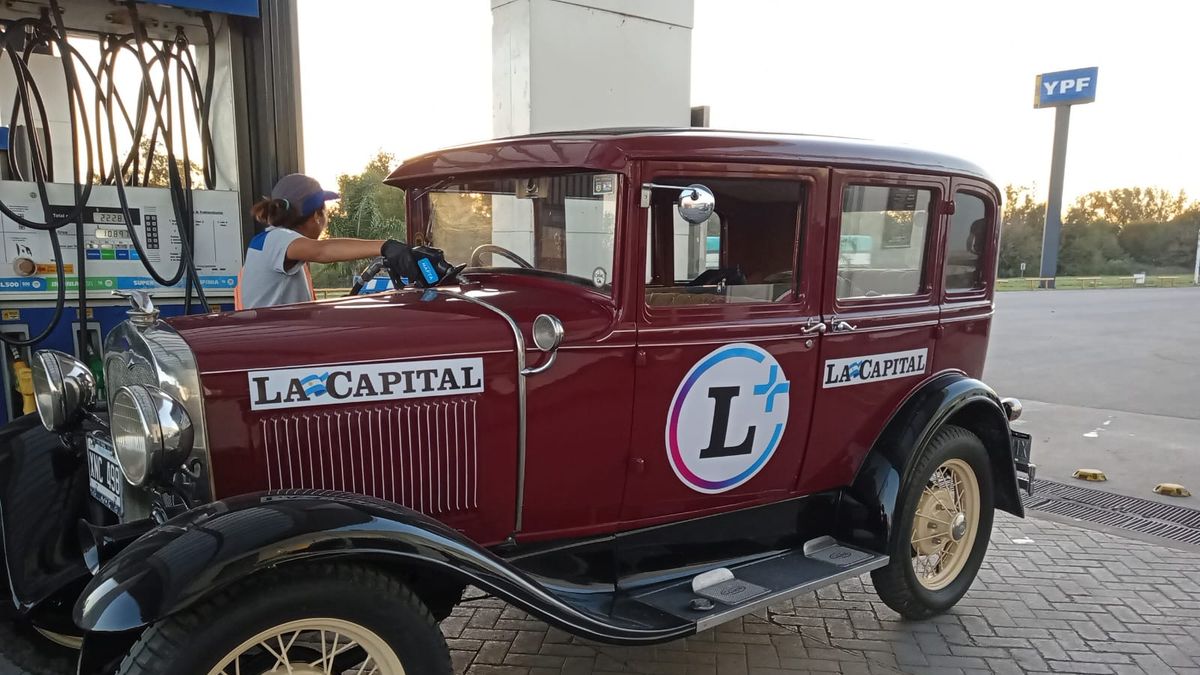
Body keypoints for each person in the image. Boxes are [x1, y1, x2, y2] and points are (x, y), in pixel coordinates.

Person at [237, 173, 393, 309]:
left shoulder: (268, 243)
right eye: (325, 213)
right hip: (273, 339)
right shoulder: (278, 238)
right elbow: (322, 251)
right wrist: (385, 246)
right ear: (317, 216)